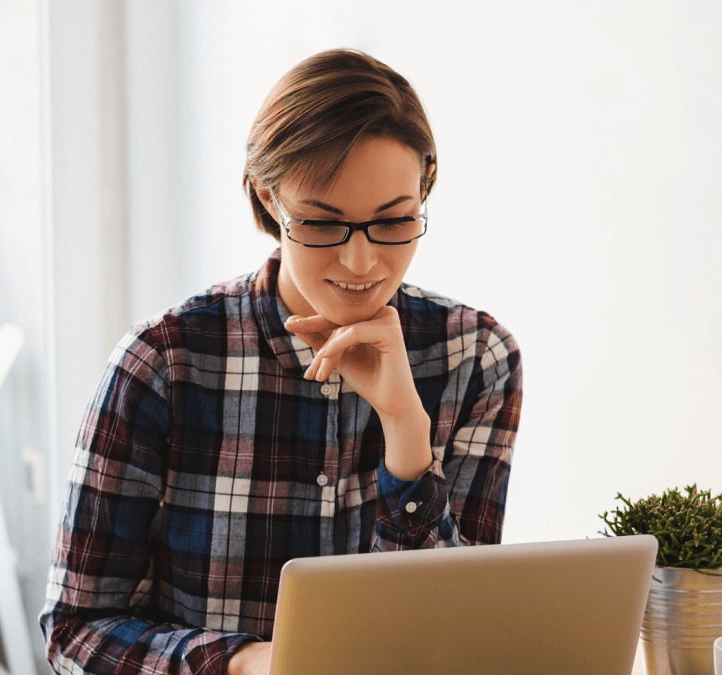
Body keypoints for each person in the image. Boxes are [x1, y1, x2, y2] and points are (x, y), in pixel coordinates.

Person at [39, 48, 522, 675]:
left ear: (423, 192)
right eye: (323, 224)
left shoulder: (477, 358)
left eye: (394, 221)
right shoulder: (164, 362)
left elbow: (463, 633)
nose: (361, 263)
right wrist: (244, 665)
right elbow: (75, 632)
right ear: (269, 200)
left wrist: (407, 435)